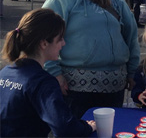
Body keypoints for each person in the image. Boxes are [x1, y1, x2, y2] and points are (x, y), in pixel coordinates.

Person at [42, 0, 140, 118]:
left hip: (114, 89)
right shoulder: (61, 0)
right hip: (74, 91)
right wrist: (54, 74)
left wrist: (132, 72)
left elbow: (131, 36)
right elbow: (42, 38)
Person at [0, 8, 96, 137]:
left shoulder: (6, 72)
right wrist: (87, 127)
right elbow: (65, 128)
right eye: (60, 39)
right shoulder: (42, 82)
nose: (63, 43)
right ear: (44, 43)